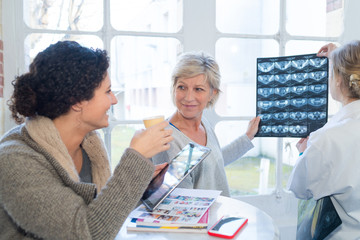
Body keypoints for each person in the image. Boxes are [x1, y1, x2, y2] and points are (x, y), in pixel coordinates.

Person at [0, 41, 173, 239]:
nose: (114, 100)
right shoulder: (15, 161)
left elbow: (101, 214)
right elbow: (88, 233)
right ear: (77, 101)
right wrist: (137, 157)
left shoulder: (89, 146)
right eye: (108, 91)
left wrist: (142, 185)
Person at [152, 51, 260, 197]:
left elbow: (213, 162)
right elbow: (179, 202)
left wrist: (247, 137)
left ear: (212, 93)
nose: (188, 97)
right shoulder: (168, 138)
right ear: (174, 88)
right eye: (182, 87)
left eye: (198, 89)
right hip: (195, 219)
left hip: (217, 215)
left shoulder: (203, 123)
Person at [287, 40, 360, 238]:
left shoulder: (326, 139)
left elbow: (300, 189)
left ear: (338, 80)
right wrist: (339, 57)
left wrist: (304, 152)